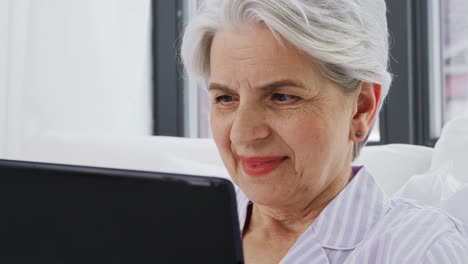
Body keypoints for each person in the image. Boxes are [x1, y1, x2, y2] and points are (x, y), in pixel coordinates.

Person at [181, 0, 468, 263]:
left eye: (282, 97)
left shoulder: (420, 252)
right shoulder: (182, 230)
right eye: (226, 99)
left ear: (361, 108)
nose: (242, 135)